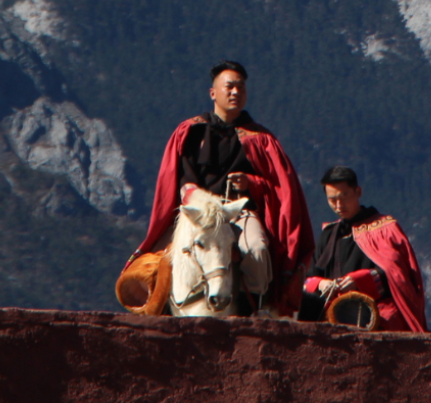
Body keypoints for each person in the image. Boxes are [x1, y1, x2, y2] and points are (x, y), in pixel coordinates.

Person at [130, 60, 315, 315]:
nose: (235, 92)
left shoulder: (261, 140)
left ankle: (257, 308)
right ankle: (156, 309)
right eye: (229, 86)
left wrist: (251, 183)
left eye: (241, 88)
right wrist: (199, 199)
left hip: (239, 211)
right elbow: (181, 179)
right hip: (199, 213)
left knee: (257, 250)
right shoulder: (191, 132)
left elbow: (281, 190)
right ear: (213, 92)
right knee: (158, 260)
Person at [299, 166, 427, 332]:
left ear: (358, 192)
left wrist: (359, 281)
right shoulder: (329, 234)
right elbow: (309, 277)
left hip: (375, 309)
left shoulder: (385, 228)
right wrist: (322, 284)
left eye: (344, 196)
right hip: (333, 310)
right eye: (332, 200)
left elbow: (398, 275)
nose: (339, 205)